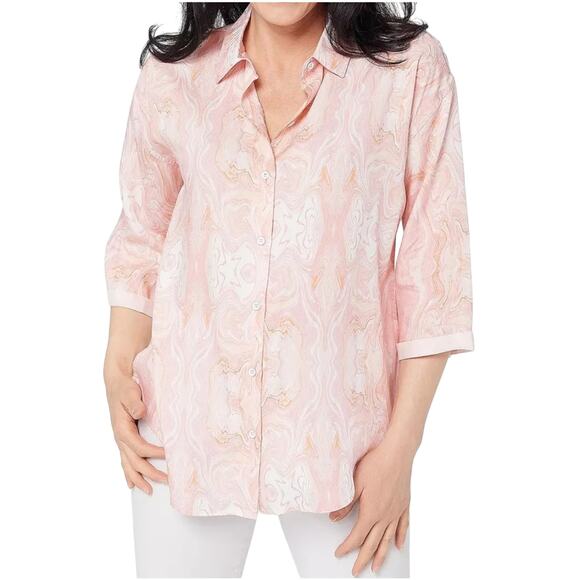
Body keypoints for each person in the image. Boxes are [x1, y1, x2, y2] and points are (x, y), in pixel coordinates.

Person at [103, 2, 474, 577]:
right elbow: (144, 234)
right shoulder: (175, 76)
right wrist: (117, 363)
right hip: (185, 425)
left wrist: (402, 450)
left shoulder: (408, 71)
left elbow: (435, 271)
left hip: (348, 441)